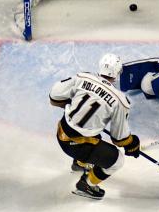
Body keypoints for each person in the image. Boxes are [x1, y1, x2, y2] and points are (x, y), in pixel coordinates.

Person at [49, 53, 141, 199]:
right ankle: (86, 185)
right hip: (76, 146)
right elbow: (119, 138)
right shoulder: (120, 100)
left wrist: (73, 105)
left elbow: (54, 97)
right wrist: (132, 143)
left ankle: (80, 164)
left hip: (61, 132)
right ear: (117, 73)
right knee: (117, 161)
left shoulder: (83, 77)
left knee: (92, 134)